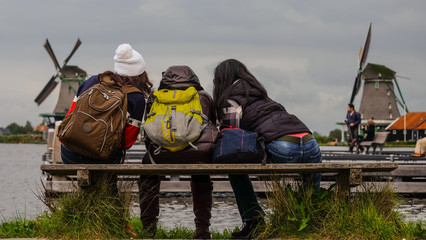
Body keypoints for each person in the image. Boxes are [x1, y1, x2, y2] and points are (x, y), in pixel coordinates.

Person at [212, 59, 322, 239]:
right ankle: (311, 220)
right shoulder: (263, 96)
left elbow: (231, 135)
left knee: (234, 169)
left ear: (222, 79)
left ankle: (254, 222)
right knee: (311, 181)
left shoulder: (232, 98)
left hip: (284, 146)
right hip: (311, 143)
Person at [138, 65, 217, 239]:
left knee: (147, 172)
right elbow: (212, 126)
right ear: (193, 78)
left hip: (160, 153)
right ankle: (202, 230)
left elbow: (148, 132)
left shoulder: (155, 97)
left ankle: (148, 230)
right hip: (198, 153)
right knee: (201, 174)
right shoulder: (202, 97)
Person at [61, 43, 153, 164]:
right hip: (102, 158)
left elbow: (70, 115)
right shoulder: (136, 97)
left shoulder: (91, 81)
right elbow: (128, 141)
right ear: (141, 74)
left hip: (69, 153)